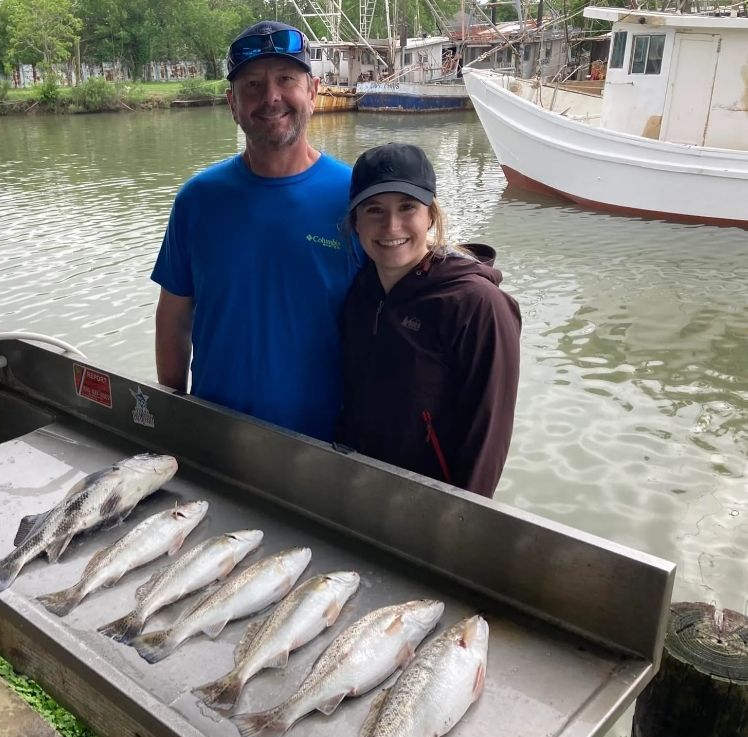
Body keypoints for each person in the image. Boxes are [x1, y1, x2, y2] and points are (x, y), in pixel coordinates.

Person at [151, 21, 359, 442]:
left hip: (327, 445)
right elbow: (173, 319)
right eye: (252, 85)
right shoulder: (197, 199)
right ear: (232, 102)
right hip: (216, 432)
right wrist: (173, 416)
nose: (271, 98)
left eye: (286, 79)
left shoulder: (357, 198)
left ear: (313, 92)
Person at [336, 143, 521, 497]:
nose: (391, 226)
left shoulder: (478, 306)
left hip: (431, 501)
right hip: (363, 486)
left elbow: (489, 435)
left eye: (408, 208)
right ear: (355, 221)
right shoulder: (362, 288)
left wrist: (459, 521)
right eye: (374, 210)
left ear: (431, 216)